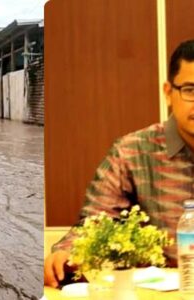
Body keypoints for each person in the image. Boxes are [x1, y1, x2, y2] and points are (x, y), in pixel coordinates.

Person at [44, 39, 194, 287]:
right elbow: (95, 223)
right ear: (169, 93)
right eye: (190, 90)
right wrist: (67, 254)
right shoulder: (132, 152)